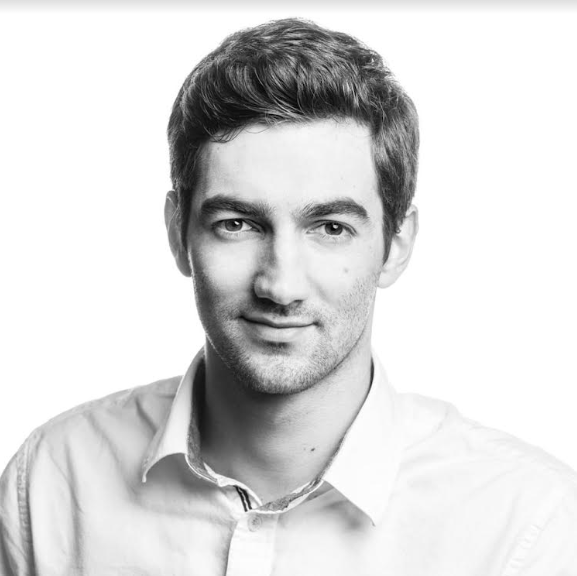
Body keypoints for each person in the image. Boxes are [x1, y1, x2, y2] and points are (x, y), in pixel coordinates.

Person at [1, 17, 576, 576]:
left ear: (396, 244)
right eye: (237, 224)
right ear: (178, 233)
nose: (280, 286)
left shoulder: (527, 527)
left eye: (330, 228)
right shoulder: (50, 483)